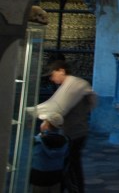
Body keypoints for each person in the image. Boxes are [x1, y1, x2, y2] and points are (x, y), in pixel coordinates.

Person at [33, 60, 96, 193]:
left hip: (74, 133)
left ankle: (76, 190)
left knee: (72, 166)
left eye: (53, 74)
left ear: (61, 70)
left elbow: (59, 108)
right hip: (74, 131)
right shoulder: (74, 85)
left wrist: (45, 118)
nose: (51, 78)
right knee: (69, 165)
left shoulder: (73, 85)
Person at [30, 112, 69, 193]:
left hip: (39, 178)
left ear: (46, 126)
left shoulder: (37, 141)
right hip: (56, 177)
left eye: (44, 121)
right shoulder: (65, 141)